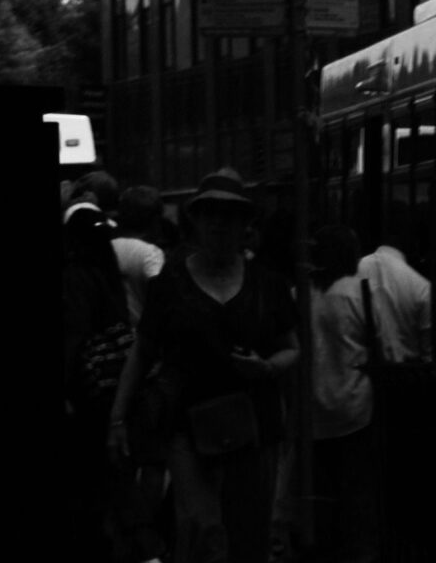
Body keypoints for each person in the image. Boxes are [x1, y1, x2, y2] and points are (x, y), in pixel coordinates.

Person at [108, 167, 298, 563]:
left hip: (254, 428)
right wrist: (118, 419)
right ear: (195, 219)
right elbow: (143, 353)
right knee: (203, 531)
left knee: (250, 535)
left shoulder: (269, 285)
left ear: (245, 223)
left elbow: (292, 349)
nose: (218, 222)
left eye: (229, 215)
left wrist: (267, 368)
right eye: (209, 213)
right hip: (187, 427)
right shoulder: (170, 286)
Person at [64, 198, 137, 556]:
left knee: (85, 481)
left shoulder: (75, 278)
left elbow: (73, 338)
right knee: (110, 479)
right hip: (114, 388)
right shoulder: (110, 273)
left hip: (85, 392)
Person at [307, 224, 378, 563]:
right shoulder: (358, 291)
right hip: (355, 406)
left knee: (322, 501)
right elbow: (382, 345)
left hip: (314, 412)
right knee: (357, 500)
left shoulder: (304, 293)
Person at [356, 213, 432, 364]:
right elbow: (427, 349)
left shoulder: (356, 269)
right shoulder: (421, 285)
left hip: (361, 369)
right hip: (407, 373)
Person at [113, 184, 168, 325]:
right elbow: (160, 301)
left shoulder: (106, 248)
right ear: (155, 221)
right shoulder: (151, 254)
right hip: (141, 337)